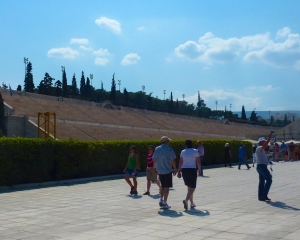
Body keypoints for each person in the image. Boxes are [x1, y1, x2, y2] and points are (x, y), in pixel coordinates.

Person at [152, 136, 177, 209]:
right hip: (167, 170)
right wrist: (175, 168)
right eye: (168, 141)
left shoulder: (157, 149)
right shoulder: (169, 149)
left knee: (162, 186)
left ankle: (161, 199)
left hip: (160, 170)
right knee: (167, 187)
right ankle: (165, 203)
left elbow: (154, 159)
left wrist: (155, 167)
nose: (168, 142)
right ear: (166, 141)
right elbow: (173, 160)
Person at [178, 140, 201, 210]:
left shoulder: (183, 151)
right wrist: (199, 169)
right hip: (192, 169)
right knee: (193, 187)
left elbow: (180, 162)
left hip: (184, 169)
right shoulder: (195, 151)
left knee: (189, 187)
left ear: (185, 145)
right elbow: (198, 161)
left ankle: (192, 203)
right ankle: (186, 200)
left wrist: (179, 171)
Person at [256, 134, 273, 201]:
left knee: (262, 181)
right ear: (260, 142)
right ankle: (264, 195)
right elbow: (264, 146)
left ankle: (260, 196)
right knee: (269, 179)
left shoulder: (262, 150)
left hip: (261, 166)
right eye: (263, 141)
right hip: (262, 166)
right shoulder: (259, 148)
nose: (265, 143)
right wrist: (269, 138)